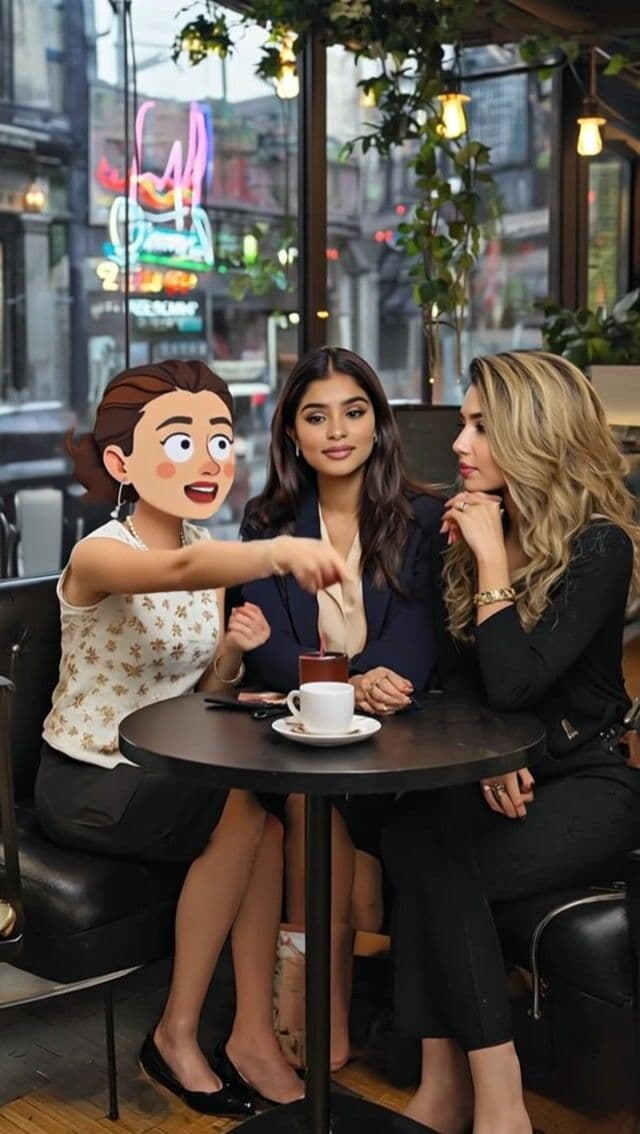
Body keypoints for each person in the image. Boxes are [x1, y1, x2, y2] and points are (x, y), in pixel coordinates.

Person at [34, 359, 352, 1118]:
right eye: (181, 443)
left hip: (163, 771)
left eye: (218, 441)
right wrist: (278, 552)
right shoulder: (99, 553)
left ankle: (251, 1037)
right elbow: (175, 568)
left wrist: (233, 656)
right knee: (244, 809)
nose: (208, 461)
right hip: (89, 779)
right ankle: (176, 1035)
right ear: (122, 463)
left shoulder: (206, 551)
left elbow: (199, 693)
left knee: (266, 826)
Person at [382, 350, 640, 1134]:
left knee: (437, 865)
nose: (460, 444)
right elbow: (459, 688)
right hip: (511, 770)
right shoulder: (471, 528)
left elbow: (516, 685)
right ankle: (453, 1090)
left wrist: (491, 559)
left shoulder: (598, 546)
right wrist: (487, 765)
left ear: (535, 433)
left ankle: (490, 1101)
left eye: (481, 427)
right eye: (465, 423)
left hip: (592, 782)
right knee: (408, 829)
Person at [240, 345, 442, 1069]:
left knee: (342, 848)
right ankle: (318, 1015)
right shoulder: (266, 523)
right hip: (301, 736)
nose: (336, 432)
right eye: (316, 416)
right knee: (309, 800)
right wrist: (352, 684)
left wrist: (360, 683)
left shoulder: (424, 518)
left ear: (377, 424)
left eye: (353, 413)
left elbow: (417, 643)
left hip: (402, 737)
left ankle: (310, 1007)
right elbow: (263, 651)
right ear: (292, 433)